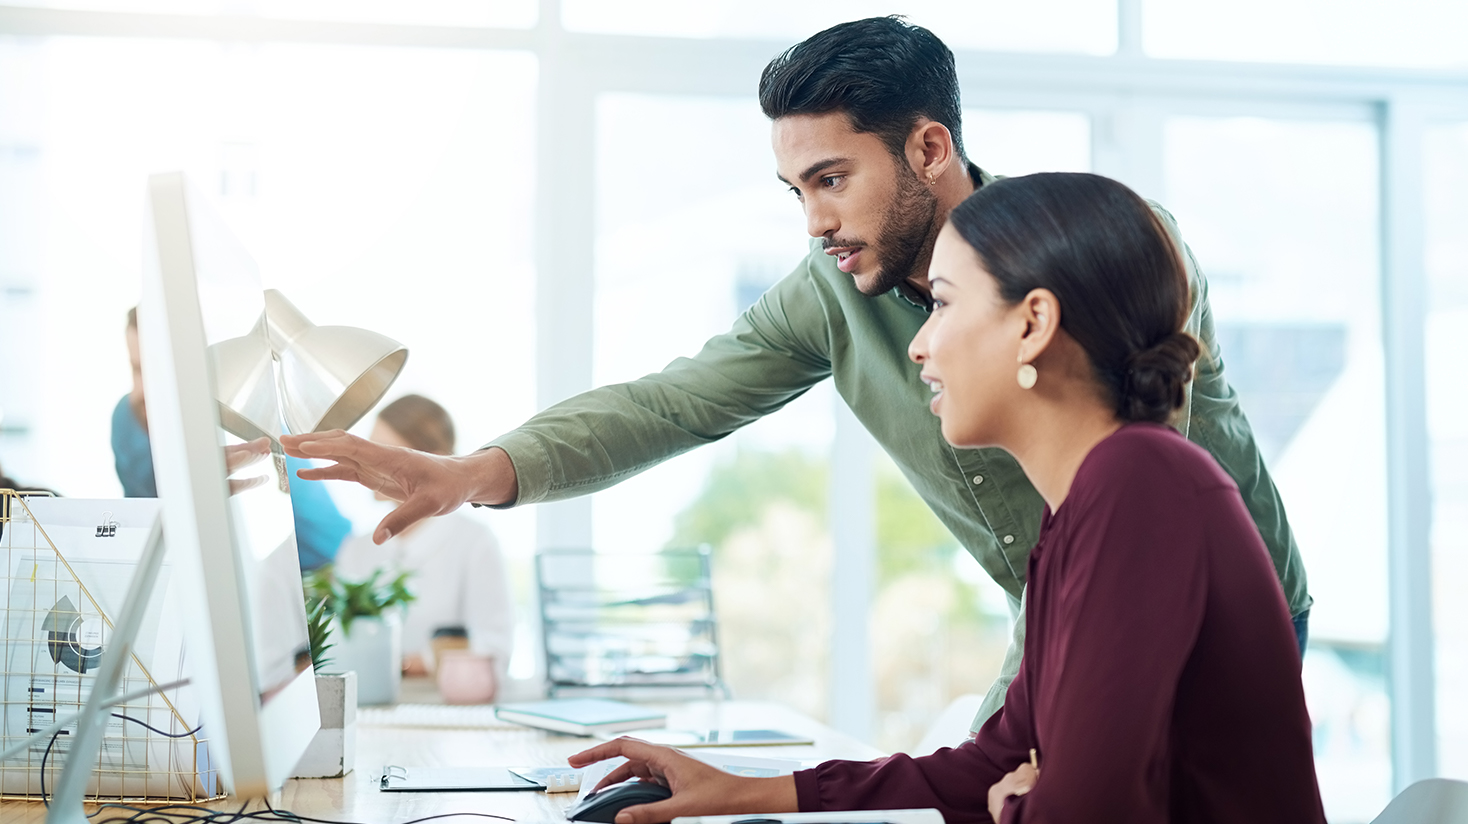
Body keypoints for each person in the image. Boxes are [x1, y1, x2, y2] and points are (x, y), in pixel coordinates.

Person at [282, 17, 1311, 732]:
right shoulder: (832, 291)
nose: (813, 220)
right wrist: (471, 472)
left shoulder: (1101, 247)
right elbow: (673, 402)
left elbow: (1149, 501)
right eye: (794, 188)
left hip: (1217, 616)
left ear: (929, 146)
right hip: (1052, 628)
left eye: (831, 180)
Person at [567, 172, 1327, 824]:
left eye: (945, 305)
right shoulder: (1084, 506)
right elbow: (993, 763)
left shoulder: (1141, 487)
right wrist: (744, 790)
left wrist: (1018, 803)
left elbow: (1076, 813)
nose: (918, 346)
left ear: (1033, 325)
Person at [112, 306, 351, 570]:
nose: (143, 388)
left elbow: (296, 497)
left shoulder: (241, 409)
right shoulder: (129, 418)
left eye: (155, 373)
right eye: (135, 369)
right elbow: (145, 510)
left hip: (318, 562)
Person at [331, 394, 514, 698]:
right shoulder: (356, 550)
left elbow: (494, 647)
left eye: (382, 454)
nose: (365, 464)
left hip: (449, 713)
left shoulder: (474, 543)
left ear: (434, 460)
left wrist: (412, 663)